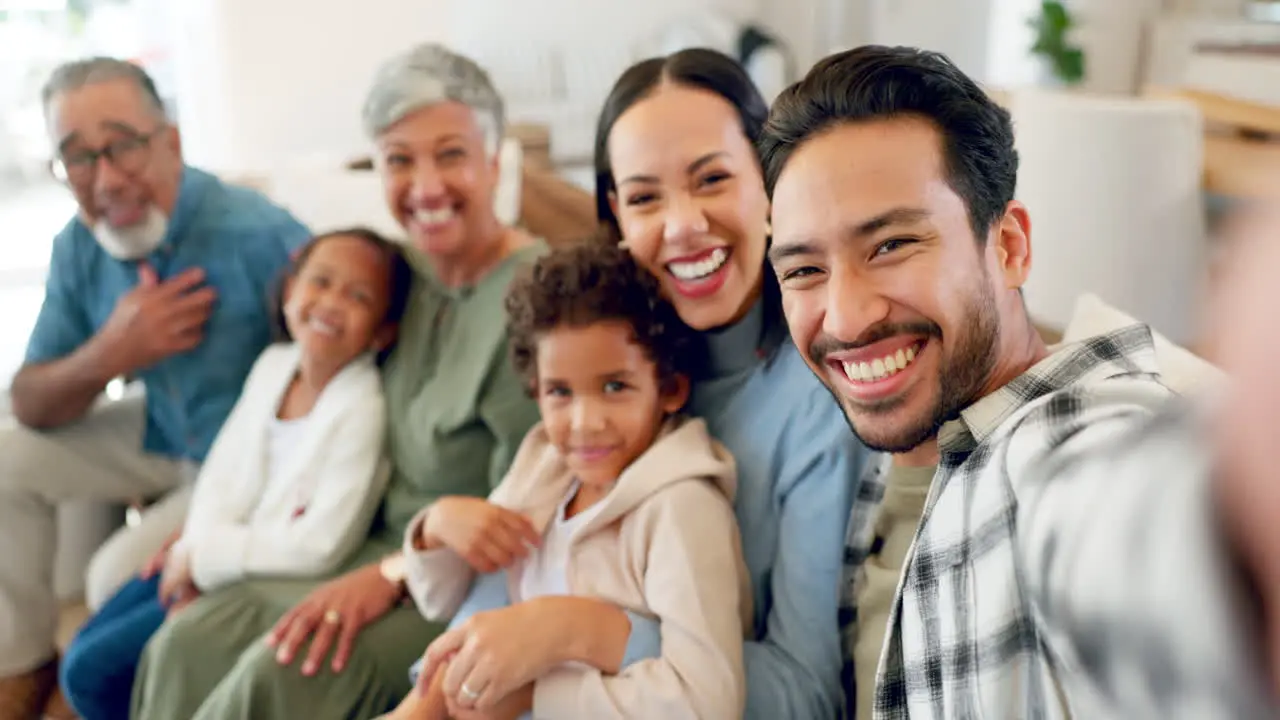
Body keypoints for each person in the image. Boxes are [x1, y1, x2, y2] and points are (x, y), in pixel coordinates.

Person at [132, 44, 664, 720]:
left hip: (461, 579)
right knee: (180, 646)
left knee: (278, 673)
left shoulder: (541, 301)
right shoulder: (394, 276)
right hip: (356, 541)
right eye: (398, 160)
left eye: (450, 154)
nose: (426, 186)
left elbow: (525, 519)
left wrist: (390, 575)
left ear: (495, 162)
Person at [758, 44, 1278, 719]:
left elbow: (1136, 536)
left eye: (890, 246)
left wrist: (1237, 539)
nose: (847, 317)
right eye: (803, 271)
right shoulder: (876, 455)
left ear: (1009, 247)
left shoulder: (1056, 451)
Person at [417, 48, 871, 720]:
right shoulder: (591, 379)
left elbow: (806, 697)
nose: (682, 225)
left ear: (768, 182)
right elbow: (493, 601)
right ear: (616, 216)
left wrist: (579, 632)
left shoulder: (819, 409)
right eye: (644, 197)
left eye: (711, 178)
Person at [0, 57, 309, 716]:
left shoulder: (259, 235)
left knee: (109, 578)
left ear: (171, 141)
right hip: (157, 429)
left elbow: (342, 375)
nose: (105, 179)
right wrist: (110, 353)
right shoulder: (78, 246)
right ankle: (22, 665)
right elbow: (28, 400)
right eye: (77, 158)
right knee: (4, 453)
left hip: (244, 464)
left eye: (123, 146)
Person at [385, 242, 751, 720]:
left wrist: (537, 696)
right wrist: (434, 529)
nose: (584, 423)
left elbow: (708, 702)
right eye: (559, 392)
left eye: (615, 387)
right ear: (535, 391)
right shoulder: (546, 467)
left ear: (670, 389)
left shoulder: (682, 509)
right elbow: (445, 602)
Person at [58, 227, 411, 719]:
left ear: (381, 331)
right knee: (81, 650)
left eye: (358, 296)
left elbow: (319, 545)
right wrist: (189, 550)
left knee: (95, 674)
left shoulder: (362, 408)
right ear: (290, 292)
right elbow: (221, 480)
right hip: (207, 553)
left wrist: (205, 565)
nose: (331, 303)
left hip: (255, 574)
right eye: (321, 281)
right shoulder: (274, 364)